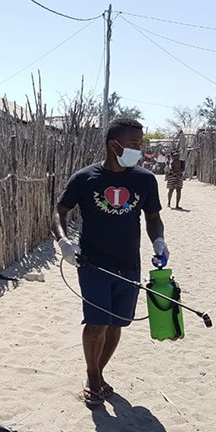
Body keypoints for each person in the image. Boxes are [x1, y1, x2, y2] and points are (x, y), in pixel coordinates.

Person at [51, 118, 168, 407]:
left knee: (117, 324)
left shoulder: (144, 179)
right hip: (92, 264)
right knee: (96, 323)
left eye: (140, 144)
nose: (137, 150)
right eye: (132, 144)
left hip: (129, 263)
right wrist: (64, 242)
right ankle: (92, 379)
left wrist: (159, 241)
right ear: (113, 145)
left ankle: (98, 372)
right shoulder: (85, 178)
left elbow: (152, 218)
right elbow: (59, 212)